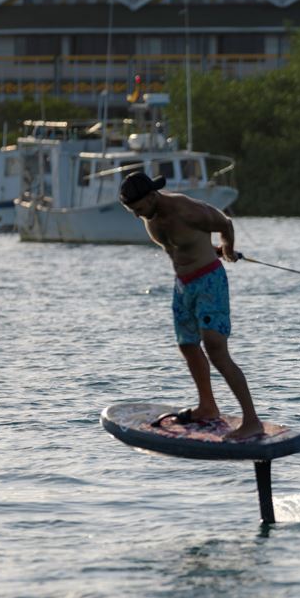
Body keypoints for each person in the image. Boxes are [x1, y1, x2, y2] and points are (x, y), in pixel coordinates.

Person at [119, 171, 264, 441]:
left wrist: (227, 249)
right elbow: (182, 243)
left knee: (216, 350)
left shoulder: (186, 209)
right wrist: (206, 247)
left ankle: (252, 421)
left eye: (139, 209)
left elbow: (225, 223)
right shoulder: (150, 216)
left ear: (152, 196)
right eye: (133, 211)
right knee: (187, 345)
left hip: (209, 281)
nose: (138, 215)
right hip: (183, 285)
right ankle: (207, 407)